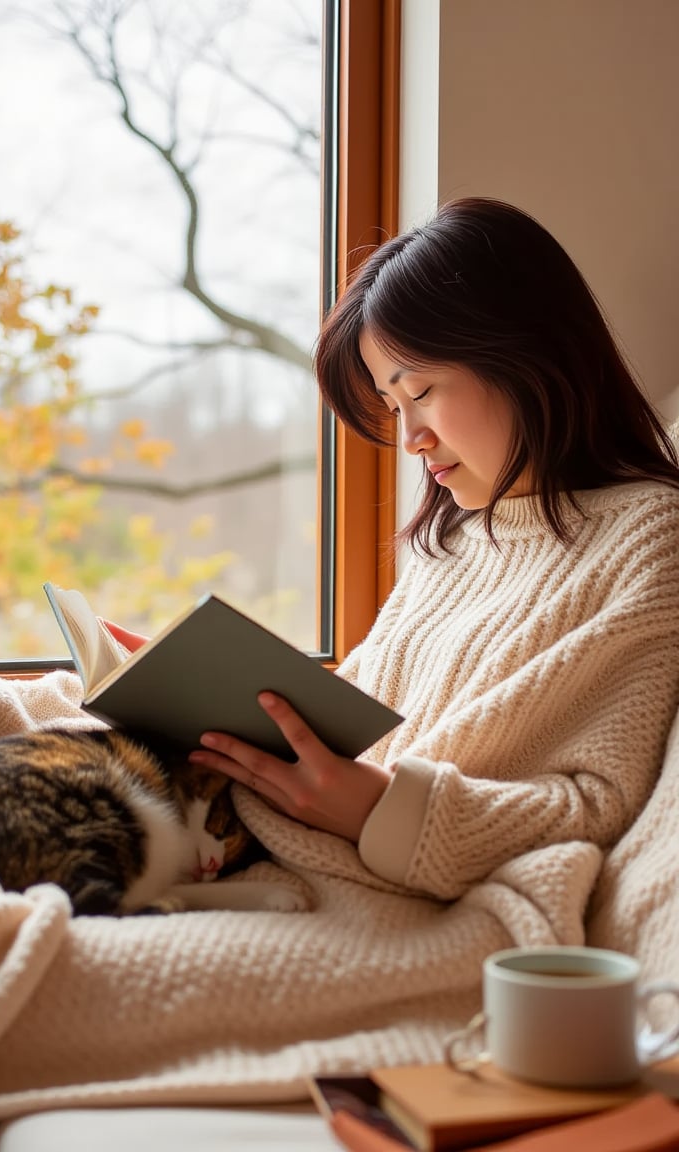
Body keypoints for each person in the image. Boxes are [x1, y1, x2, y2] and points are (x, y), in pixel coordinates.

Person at [190, 197, 679, 898]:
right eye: (394, 407)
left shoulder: (644, 536)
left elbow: (595, 807)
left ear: (528, 357)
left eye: (418, 391)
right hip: (267, 836)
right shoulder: (447, 541)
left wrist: (377, 812)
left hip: (368, 881)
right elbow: (360, 712)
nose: (409, 436)